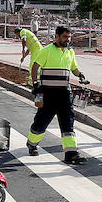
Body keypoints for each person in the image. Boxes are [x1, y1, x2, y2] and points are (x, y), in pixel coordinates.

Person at [18, 24, 89, 164]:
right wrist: (36, 84)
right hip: (49, 93)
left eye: (69, 37)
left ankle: (71, 153)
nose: (67, 40)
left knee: (68, 122)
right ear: (56, 37)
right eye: (64, 37)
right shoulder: (47, 51)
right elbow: (35, 67)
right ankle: (32, 143)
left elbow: (73, 68)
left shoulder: (70, 52)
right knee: (41, 122)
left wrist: (80, 75)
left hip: (65, 94)